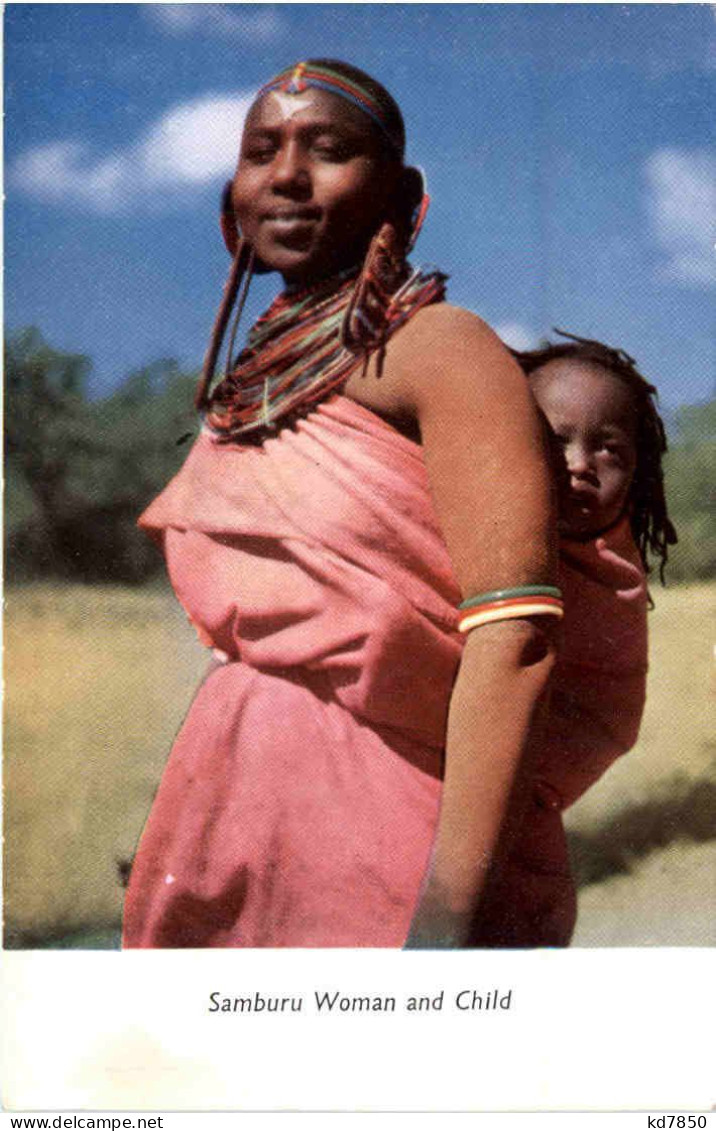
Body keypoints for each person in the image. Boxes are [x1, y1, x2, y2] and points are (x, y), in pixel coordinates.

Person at [122, 59, 561, 949]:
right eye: (260, 152)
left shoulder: (443, 350)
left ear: (404, 194)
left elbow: (515, 638)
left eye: (329, 149)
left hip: (393, 826)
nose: (286, 174)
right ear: (230, 201)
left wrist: (443, 920)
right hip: (225, 816)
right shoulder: (251, 385)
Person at [470, 330, 677, 946]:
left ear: (638, 474)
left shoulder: (614, 585)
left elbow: (606, 718)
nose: (581, 464)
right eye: (554, 440)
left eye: (608, 449)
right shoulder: (454, 536)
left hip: (520, 829)